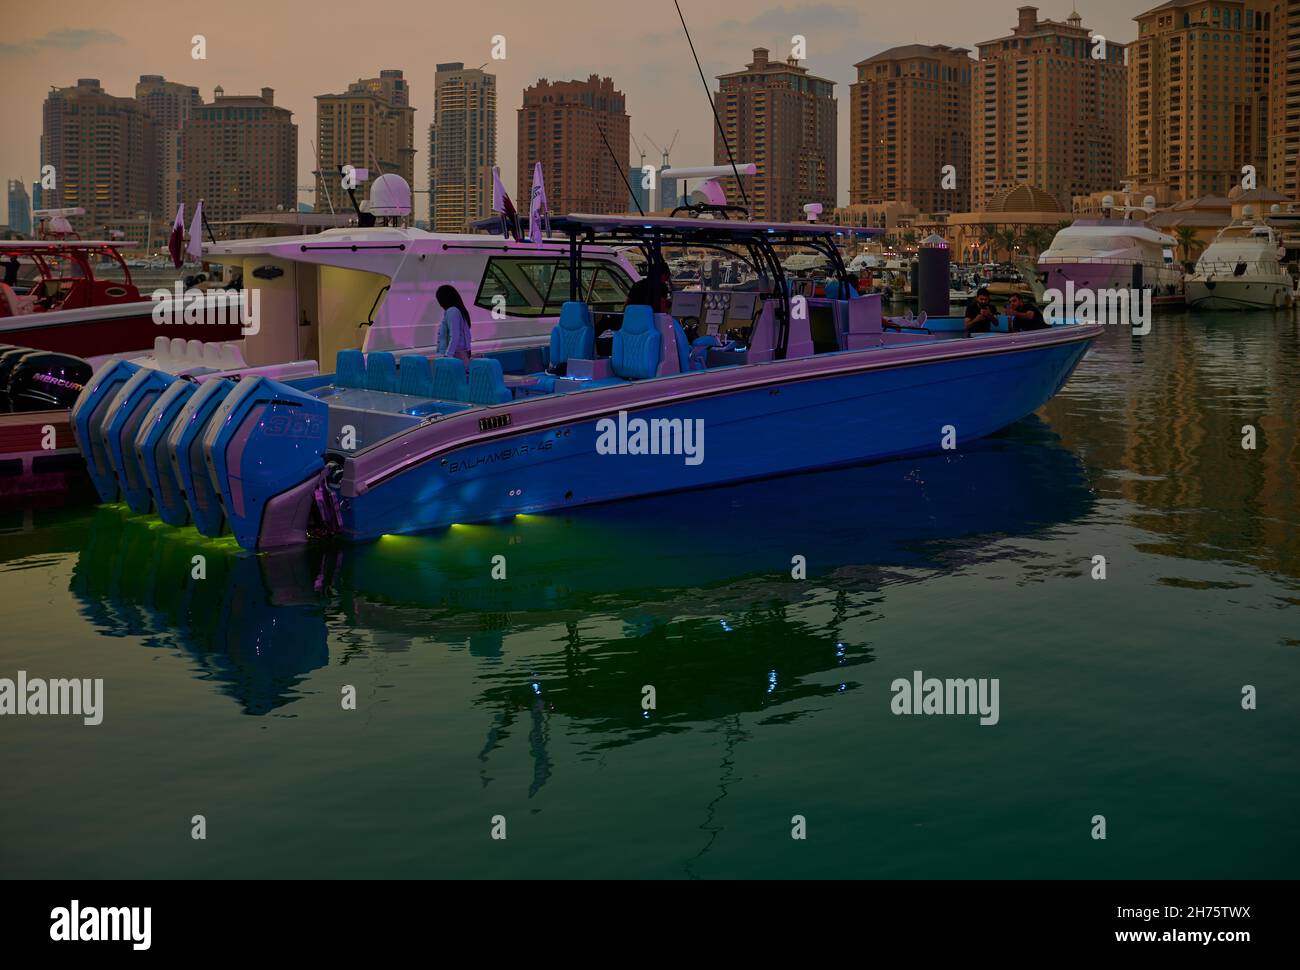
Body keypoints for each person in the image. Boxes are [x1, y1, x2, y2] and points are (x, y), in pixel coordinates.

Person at [435, 284, 472, 369]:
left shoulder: (452, 311)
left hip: (456, 355)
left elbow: (455, 335)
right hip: (457, 354)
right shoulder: (456, 311)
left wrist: (448, 356)